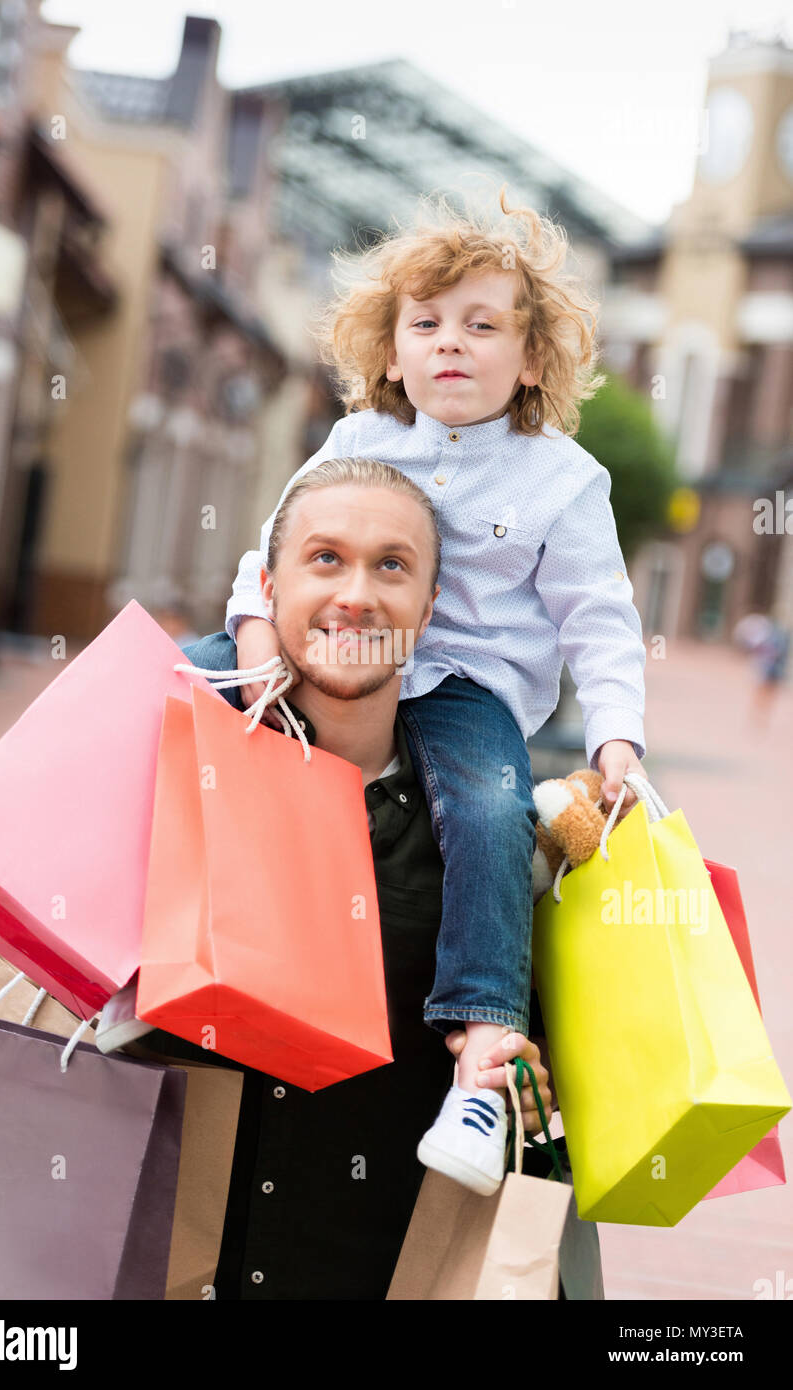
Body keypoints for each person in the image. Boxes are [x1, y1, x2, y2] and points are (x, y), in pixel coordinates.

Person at [222, 184, 648, 1194]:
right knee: (172, 695)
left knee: (491, 813)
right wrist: (251, 644)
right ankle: (114, 949)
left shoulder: (564, 479)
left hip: (460, 692)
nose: (450, 343)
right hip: (323, 653)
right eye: (426, 323)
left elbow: (600, 615)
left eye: (481, 325)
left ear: (532, 359)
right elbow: (270, 558)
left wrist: (617, 740)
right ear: (391, 348)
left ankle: (482, 1050)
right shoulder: (355, 442)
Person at [123, 458, 563, 1300]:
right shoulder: (168, 772)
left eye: (391, 566)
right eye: (325, 558)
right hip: (149, 1269)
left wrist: (524, 1092)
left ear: (429, 611)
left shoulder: (487, 846)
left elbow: (539, 1115)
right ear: (264, 587)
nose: (356, 595)